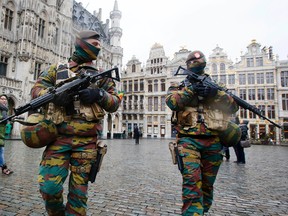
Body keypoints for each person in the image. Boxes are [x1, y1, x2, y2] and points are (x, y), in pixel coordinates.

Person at [29, 30, 121, 215]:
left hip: (86, 143)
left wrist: (99, 94)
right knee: (49, 188)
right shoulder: (58, 69)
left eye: (99, 46)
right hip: (58, 138)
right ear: (81, 43)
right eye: (94, 45)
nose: (98, 49)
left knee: (78, 198)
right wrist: (53, 96)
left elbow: (115, 102)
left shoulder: (102, 75)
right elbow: (36, 90)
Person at [166, 50, 239, 215]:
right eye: (192, 61)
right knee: (192, 183)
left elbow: (233, 106)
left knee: (207, 185)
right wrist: (192, 89)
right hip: (188, 141)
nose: (195, 63)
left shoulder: (216, 85)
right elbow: (172, 102)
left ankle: (202, 211)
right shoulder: (179, 86)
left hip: (213, 141)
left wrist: (216, 94)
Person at [0, 94, 13, 175]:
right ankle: (4, 168)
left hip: (1, 135)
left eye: (5, 99)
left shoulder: (5, 110)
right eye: (2, 99)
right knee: (1, 151)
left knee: (1, 151)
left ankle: (4, 168)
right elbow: (4, 119)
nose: (4, 100)